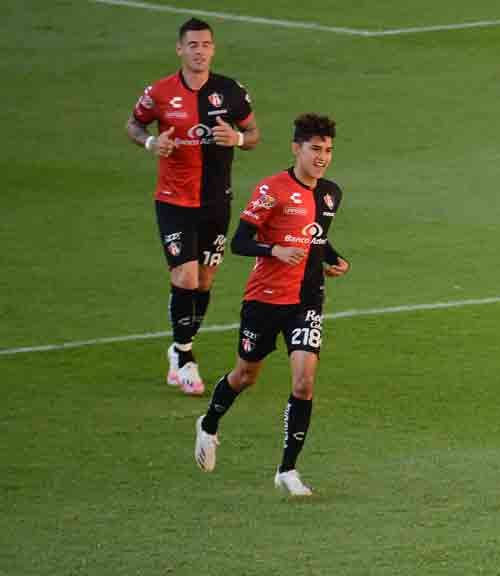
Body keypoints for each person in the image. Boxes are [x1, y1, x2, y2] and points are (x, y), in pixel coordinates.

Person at [193, 113, 348, 496]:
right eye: (315, 149)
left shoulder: (331, 193)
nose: (322, 157)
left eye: (328, 150)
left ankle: (287, 469)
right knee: (245, 376)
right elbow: (240, 241)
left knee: (304, 381)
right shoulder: (272, 190)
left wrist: (333, 258)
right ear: (297, 148)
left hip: (307, 300)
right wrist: (274, 249)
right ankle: (209, 423)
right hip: (264, 299)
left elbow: (316, 237)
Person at [126, 18, 260, 395]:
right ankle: (184, 356)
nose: (200, 51)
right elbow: (134, 125)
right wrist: (152, 144)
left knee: (204, 281)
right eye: (193, 45)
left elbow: (253, 135)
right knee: (185, 277)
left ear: (213, 49)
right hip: (174, 200)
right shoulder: (160, 93)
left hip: (216, 200)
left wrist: (235, 137)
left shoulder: (231, 92)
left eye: (206, 44)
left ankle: (178, 345)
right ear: (179, 49)